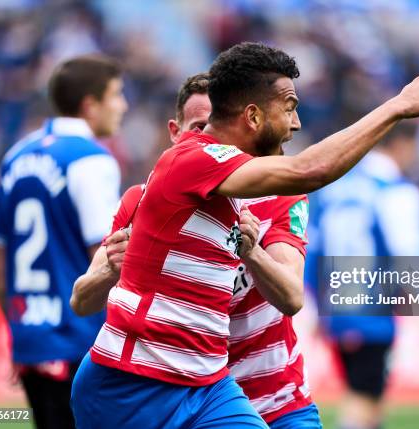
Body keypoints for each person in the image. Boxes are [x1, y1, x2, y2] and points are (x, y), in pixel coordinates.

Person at [71, 42, 419, 428]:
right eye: (289, 108)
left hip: (211, 382)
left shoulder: (253, 189)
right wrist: (396, 107)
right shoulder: (191, 161)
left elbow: (291, 293)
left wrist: (254, 254)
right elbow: (309, 170)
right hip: (132, 382)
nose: (295, 123)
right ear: (252, 116)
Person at [71, 73, 322, 428]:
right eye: (200, 126)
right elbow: (82, 300)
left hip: (273, 395)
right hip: (178, 386)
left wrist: (251, 253)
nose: (214, 143)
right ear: (176, 133)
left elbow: (291, 295)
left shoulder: (279, 197)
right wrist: (110, 271)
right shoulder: (144, 201)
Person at [0, 54, 127, 429]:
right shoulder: (91, 160)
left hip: (30, 339)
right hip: (80, 341)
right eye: (116, 95)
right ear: (90, 105)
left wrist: (18, 328)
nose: (122, 105)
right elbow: (108, 255)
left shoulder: (17, 155)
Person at [315, 123, 419, 429]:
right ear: (402, 145)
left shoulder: (336, 189)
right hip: (371, 312)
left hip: (337, 310)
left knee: (369, 401)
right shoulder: (396, 192)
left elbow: (313, 251)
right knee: (363, 401)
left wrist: (313, 305)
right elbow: (408, 255)